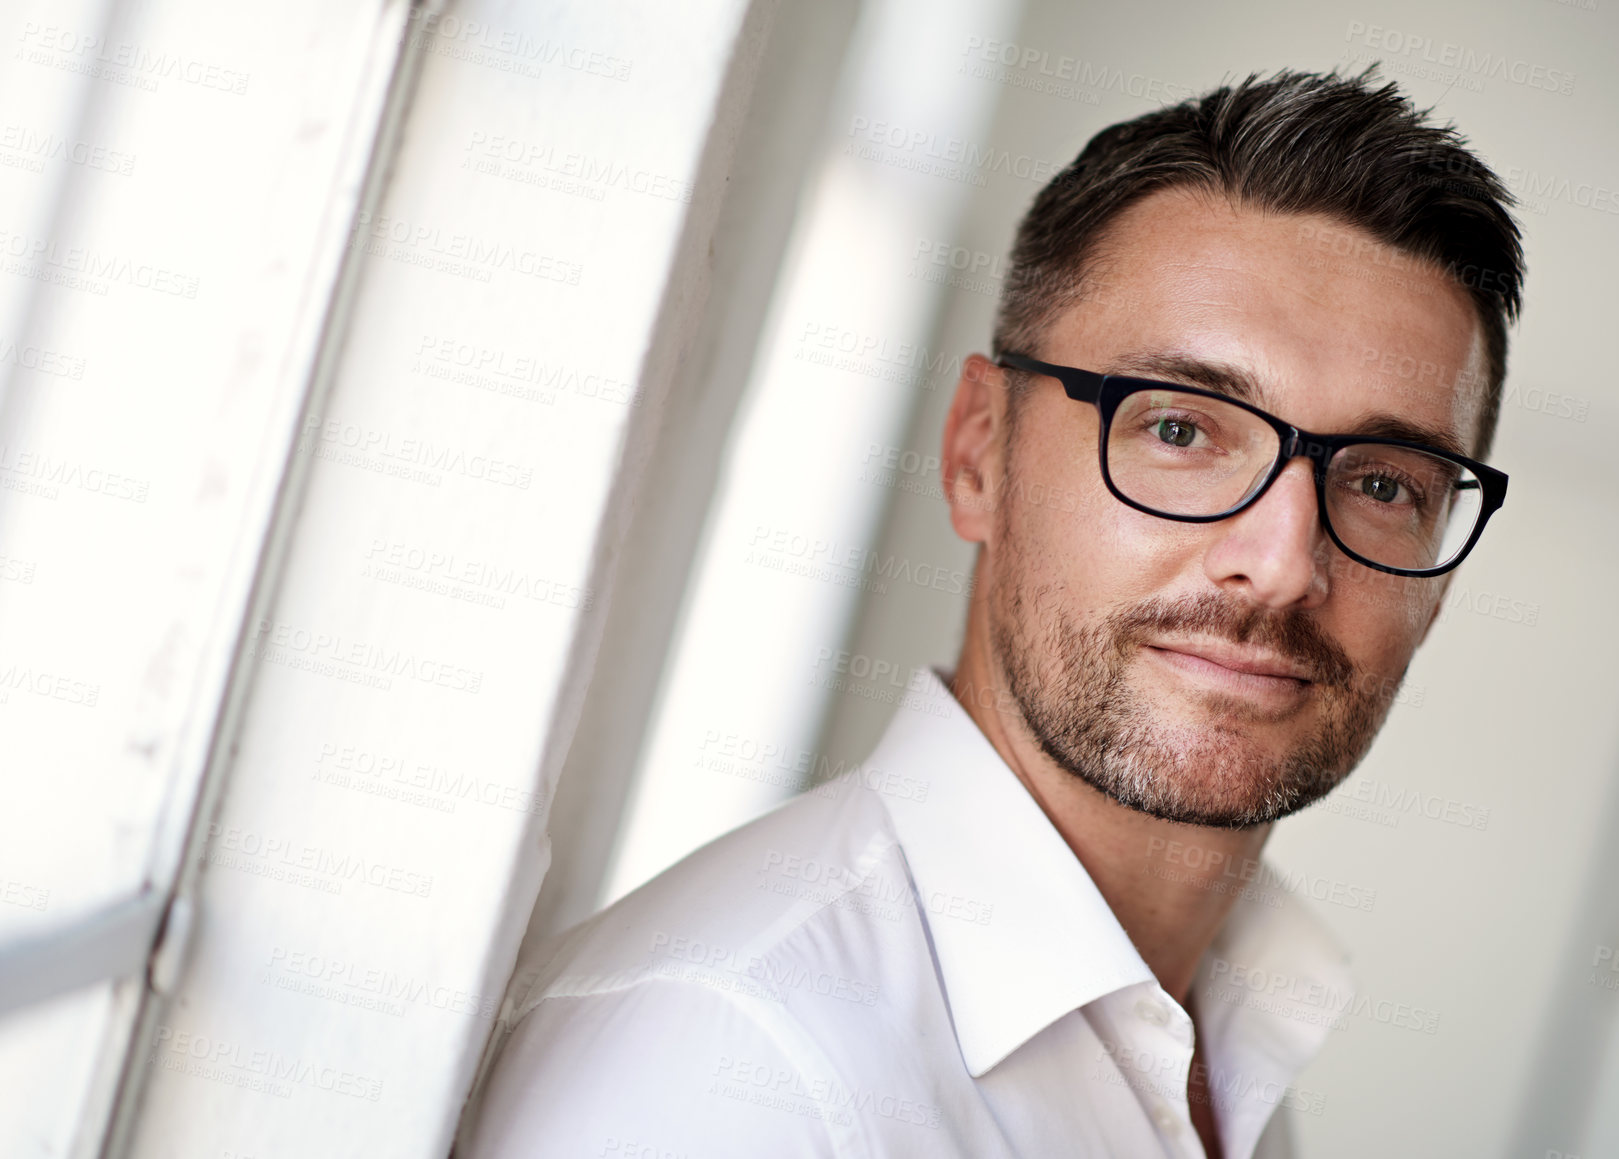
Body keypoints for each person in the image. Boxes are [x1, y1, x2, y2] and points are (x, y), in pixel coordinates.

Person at [458, 66, 1522, 1158]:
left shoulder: (1224, 1029)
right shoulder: (738, 1063)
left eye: (1386, 484)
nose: (1284, 562)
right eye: (1182, 430)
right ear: (979, 452)